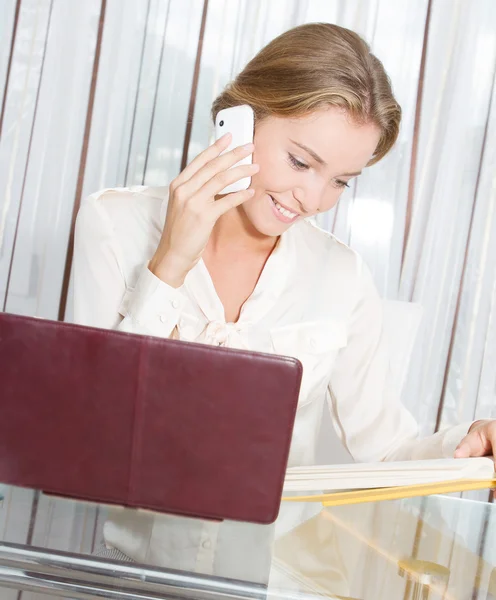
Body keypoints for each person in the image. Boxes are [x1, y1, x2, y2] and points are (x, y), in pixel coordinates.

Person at [73, 22, 496, 583]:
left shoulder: (341, 277)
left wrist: (468, 447)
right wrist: (170, 262)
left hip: (279, 579)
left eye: (341, 181)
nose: (314, 199)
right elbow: (91, 431)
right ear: (240, 119)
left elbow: (386, 453)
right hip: (129, 576)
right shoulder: (116, 224)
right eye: (300, 162)